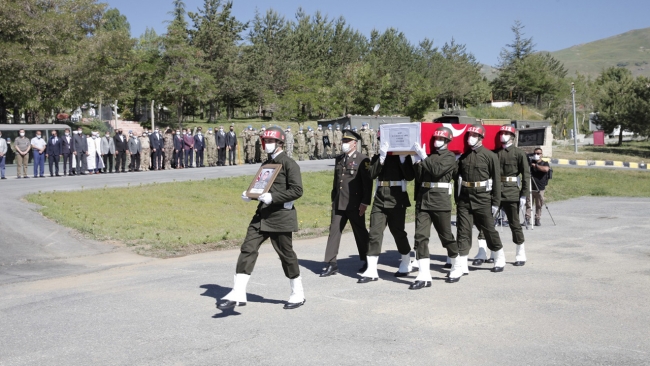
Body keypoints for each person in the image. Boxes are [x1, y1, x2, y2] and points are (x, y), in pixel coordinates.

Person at [218, 126, 306, 310]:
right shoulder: (266, 165)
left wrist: (274, 198)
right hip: (262, 215)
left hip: (280, 217)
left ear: (280, 143)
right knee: (248, 248)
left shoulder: (289, 163)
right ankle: (238, 291)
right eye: (265, 141)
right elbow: (260, 186)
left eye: (271, 141)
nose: (267, 144)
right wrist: (249, 195)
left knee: (286, 255)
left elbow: (297, 190)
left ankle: (297, 293)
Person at [358, 131, 415, 283]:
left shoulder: (402, 156)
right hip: (380, 199)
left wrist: (403, 160)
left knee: (398, 232)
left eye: (383, 140)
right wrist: (381, 158)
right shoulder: (378, 157)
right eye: (379, 140)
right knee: (374, 233)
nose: (380, 143)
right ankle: (371, 270)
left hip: (397, 199)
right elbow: (371, 174)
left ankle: (405, 261)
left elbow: (410, 176)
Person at [410, 127, 460, 288]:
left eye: (440, 138)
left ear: (447, 141)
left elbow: (437, 171)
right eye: (436, 138)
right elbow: (419, 178)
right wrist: (416, 162)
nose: (437, 141)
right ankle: (424, 275)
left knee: (446, 236)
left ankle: (457, 263)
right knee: (420, 237)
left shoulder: (450, 157)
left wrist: (424, 157)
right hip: (424, 200)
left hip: (440, 201)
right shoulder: (429, 156)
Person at [474, 125, 531, 267]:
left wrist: (524, 194)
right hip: (494, 192)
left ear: (512, 136)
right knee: (486, 223)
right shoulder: (495, 153)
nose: (503, 136)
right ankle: (485, 252)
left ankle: (520, 253)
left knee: (514, 224)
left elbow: (526, 175)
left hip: (511, 192)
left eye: (506, 133)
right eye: (501, 133)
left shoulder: (519, 153)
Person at [455, 124, 505, 279]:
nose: (471, 138)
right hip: (465, 197)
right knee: (463, 230)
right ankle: (462, 263)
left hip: (483, 197)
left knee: (489, 229)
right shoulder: (463, 156)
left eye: (475, 136)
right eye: (469, 135)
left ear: (481, 138)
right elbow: (456, 178)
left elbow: (496, 180)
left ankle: (498, 256)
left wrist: (496, 202)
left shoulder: (490, 156)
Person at [321, 130, 372, 277]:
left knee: (360, 232)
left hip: (354, 203)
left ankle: (368, 260)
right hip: (339, 202)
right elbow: (336, 181)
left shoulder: (363, 159)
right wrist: (333, 198)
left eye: (347, 142)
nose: (344, 144)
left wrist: (365, 202)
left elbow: (367, 184)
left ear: (354, 143)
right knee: (334, 231)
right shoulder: (339, 159)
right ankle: (331, 263)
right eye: (343, 141)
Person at [526, 147, 550, 227]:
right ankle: (527, 218)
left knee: (539, 205)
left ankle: (537, 219)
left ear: (541, 154)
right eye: (535, 153)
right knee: (529, 204)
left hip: (540, 188)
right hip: (530, 187)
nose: (536, 155)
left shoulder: (545, 163)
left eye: (538, 153)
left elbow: (545, 169)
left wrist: (535, 166)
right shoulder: (530, 163)